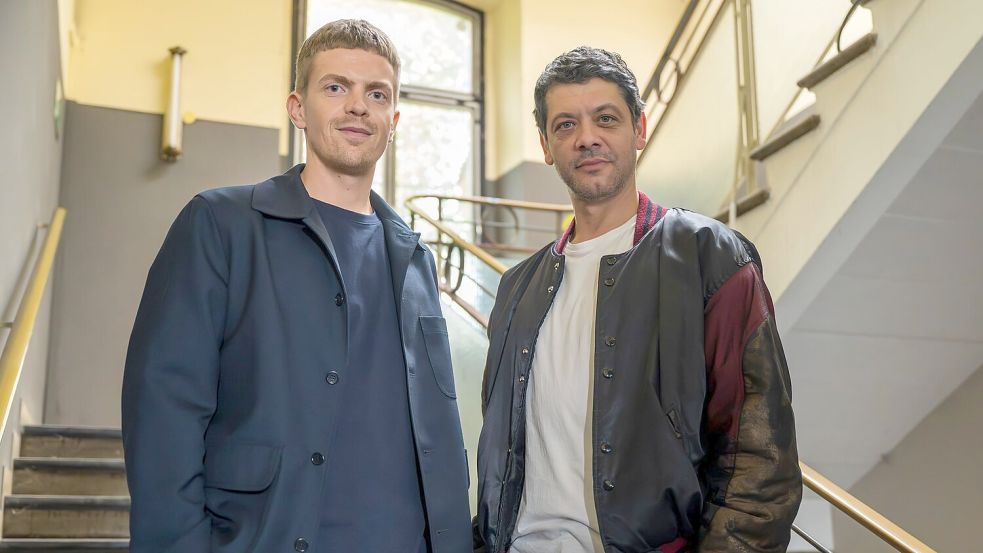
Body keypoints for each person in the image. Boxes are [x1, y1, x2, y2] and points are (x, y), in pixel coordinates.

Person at [122, 19, 471, 553]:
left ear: (393, 119)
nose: (358, 106)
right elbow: (164, 411)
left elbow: (438, 431)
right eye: (336, 87)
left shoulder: (416, 258)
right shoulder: (221, 224)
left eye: (376, 94)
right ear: (298, 108)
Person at [474, 46, 802, 553]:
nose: (587, 138)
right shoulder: (516, 287)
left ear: (640, 129)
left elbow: (759, 462)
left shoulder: (708, 256)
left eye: (606, 118)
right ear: (545, 144)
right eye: (565, 125)